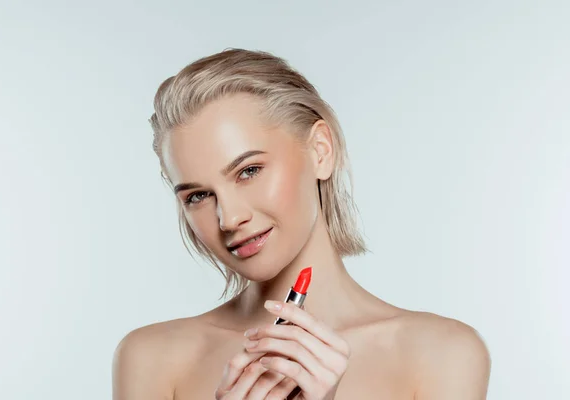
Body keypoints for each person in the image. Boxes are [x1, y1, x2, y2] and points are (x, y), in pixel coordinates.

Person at [112, 48, 491, 399]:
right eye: (197, 196)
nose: (229, 218)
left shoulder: (442, 354)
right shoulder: (152, 358)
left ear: (320, 151)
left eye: (249, 171)